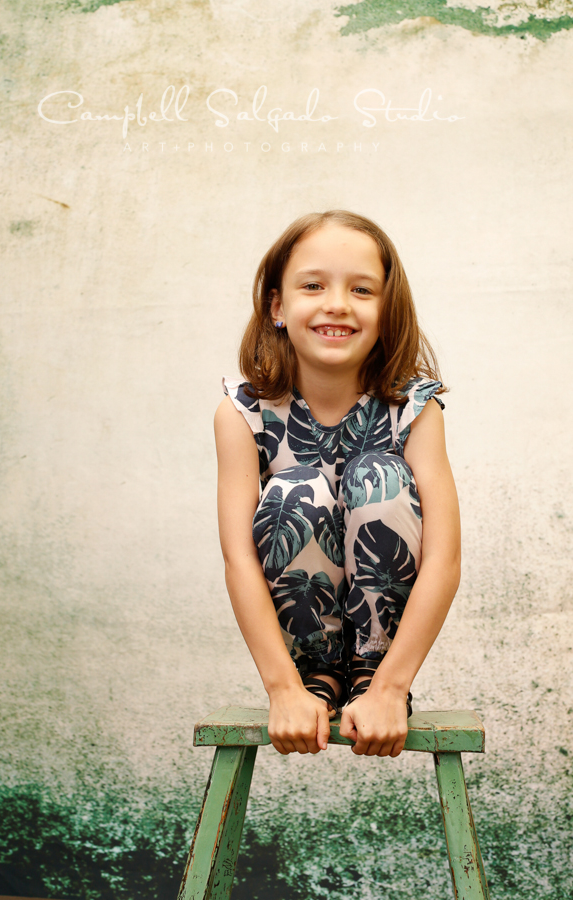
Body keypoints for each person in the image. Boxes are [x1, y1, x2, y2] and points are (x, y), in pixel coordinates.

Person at [214, 210, 460, 759]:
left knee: (380, 473)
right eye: (313, 285)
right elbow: (238, 558)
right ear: (278, 306)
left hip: (386, 654)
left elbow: (444, 558)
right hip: (301, 653)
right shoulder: (242, 414)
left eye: (362, 289)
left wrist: (393, 689)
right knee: (294, 488)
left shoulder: (414, 410)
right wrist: (282, 688)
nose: (337, 304)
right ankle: (320, 673)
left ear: (386, 311)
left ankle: (370, 672)